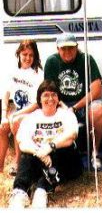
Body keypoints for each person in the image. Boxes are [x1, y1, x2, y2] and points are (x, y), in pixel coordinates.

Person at [8, 80, 83, 208]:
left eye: (54, 95)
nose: (50, 98)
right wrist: (39, 152)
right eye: (46, 95)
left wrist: (49, 147)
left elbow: (71, 135)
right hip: (41, 158)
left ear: (58, 98)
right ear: (39, 99)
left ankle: (42, 190)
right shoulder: (31, 118)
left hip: (67, 162)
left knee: (63, 149)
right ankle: (19, 192)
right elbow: (22, 140)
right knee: (27, 154)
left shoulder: (66, 115)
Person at [44, 33, 102, 169]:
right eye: (63, 48)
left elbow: (96, 91)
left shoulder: (86, 59)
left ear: (77, 47)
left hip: (85, 102)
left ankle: (94, 153)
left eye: (71, 48)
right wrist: (63, 107)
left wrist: (75, 108)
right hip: (62, 103)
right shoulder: (51, 62)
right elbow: (49, 92)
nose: (67, 52)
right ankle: (57, 155)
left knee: (97, 109)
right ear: (57, 49)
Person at [0, 40, 43, 175]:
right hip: (17, 110)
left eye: (31, 55)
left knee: (16, 122)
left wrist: (17, 115)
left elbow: (37, 103)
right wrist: (3, 116)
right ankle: (0, 166)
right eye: (25, 54)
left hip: (32, 111)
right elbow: (6, 96)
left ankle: (18, 163)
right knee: (3, 127)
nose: (28, 58)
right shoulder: (13, 72)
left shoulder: (38, 74)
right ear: (18, 54)